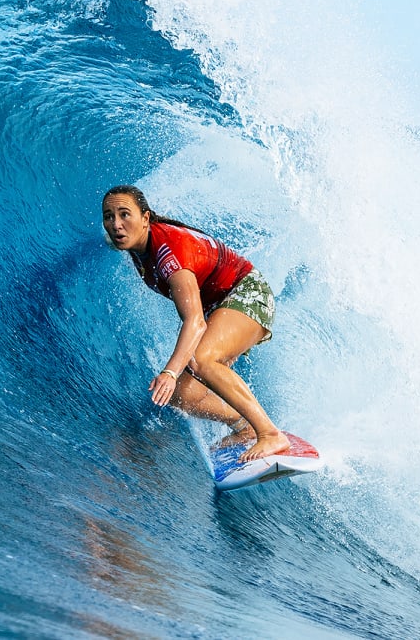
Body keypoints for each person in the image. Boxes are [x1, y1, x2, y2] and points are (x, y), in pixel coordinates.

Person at [101, 184, 290, 462]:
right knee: (183, 396)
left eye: (124, 215)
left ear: (146, 218)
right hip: (221, 306)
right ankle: (243, 426)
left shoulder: (169, 255)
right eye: (108, 216)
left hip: (248, 293)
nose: (116, 225)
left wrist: (169, 372)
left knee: (201, 360)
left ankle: (270, 434)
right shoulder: (137, 240)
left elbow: (195, 321)